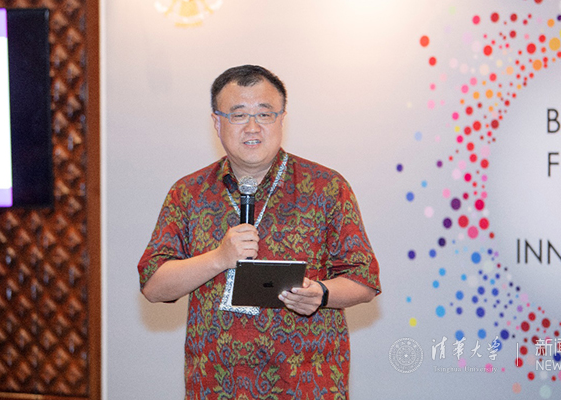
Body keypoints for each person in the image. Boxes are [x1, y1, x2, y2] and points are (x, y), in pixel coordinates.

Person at [138, 65, 381, 399]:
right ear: (217, 122)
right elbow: (153, 286)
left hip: (306, 384)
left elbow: (365, 280)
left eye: (265, 114)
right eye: (238, 115)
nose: (252, 128)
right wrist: (218, 258)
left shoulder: (326, 187)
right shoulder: (189, 193)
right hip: (217, 384)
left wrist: (322, 293)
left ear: (282, 120)